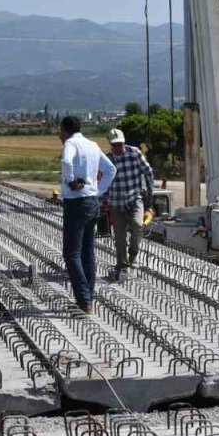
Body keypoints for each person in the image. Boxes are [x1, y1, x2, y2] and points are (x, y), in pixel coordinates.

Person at [58, 116, 115, 313]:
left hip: (76, 203)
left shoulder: (70, 143)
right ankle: (89, 295)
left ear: (65, 131)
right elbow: (110, 169)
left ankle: (84, 299)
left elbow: (66, 160)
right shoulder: (92, 145)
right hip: (93, 202)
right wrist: (98, 190)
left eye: (60, 131)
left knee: (71, 253)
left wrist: (71, 181)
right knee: (87, 251)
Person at [103, 128, 155, 280]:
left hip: (134, 199)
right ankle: (122, 264)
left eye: (119, 144)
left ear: (124, 142)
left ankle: (133, 253)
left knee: (138, 225)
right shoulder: (107, 160)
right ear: (110, 145)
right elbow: (103, 182)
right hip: (116, 203)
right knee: (119, 237)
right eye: (114, 145)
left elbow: (148, 171)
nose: (117, 148)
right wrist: (103, 201)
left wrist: (148, 190)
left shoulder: (134, 153)